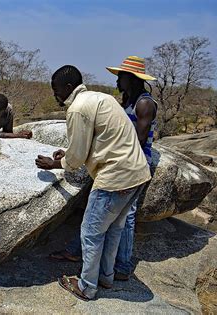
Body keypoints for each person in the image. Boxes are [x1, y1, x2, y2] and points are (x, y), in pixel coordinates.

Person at [35, 65, 151, 301]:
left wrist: (55, 164)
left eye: (56, 90)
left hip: (115, 177)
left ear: (68, 88)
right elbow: (98, 141)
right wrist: (67, 153)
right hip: (137, 172)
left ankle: (87, 286)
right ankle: (106, 277)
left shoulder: (77, 109)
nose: (55, 95)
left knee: (90, 233)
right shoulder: (101, 97)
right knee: (114, 229)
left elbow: (77, 157)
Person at [107, 55, 158, 280]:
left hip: (135, 162)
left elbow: (138, 139)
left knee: (127, 214)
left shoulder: (144, 103)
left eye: (121, 77)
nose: (117, 81)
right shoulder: (127, 100)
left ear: (132, 78)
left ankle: (123, 265)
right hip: (123, 158)